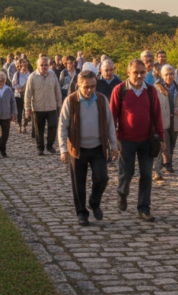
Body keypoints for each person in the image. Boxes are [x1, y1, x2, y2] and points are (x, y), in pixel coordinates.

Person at [61, 71, 119, 226]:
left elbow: (109, 124)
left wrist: (114, 146)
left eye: (93, 86)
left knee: (102, 177)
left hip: (98, 147)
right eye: (86, 87)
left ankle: (94, 202)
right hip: (77, 148)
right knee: (78, 182)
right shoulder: (71, 101)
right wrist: (63, 150)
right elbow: (63, 126)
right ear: (79, 84)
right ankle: (81, 213)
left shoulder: (101, 99)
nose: (89, 90)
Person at [111, 59, 164, 222]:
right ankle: (122, 193)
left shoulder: (151, 91)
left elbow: (157, 115)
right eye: (136, 72)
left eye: (142, 72)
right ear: (128, 73)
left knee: (146, 175)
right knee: (127, 173)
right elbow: (112, 116)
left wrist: (161, 137)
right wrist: (114, 139)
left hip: (147, 140)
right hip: (126, 140)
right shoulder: (119, 90)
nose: (140, 76)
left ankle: (144, 208)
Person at [25, 56, 63, 156]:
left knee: (53, 126)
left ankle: (50, 146)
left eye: (46, 65)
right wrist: (27, 107)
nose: (44, 67)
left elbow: (57, 90)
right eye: (41, 65)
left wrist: (59, 104)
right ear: (37, 66)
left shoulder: (52, 75)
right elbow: (28, 93)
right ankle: (40, 148)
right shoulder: (32, 77)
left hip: (51, 106)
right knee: (39, 129)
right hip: (38, 108)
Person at [153, 64, 178, 179]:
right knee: (163, 145)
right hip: (162, 120)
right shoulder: (156, 88)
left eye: (171, 74)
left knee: (171, 144)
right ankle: (156, 170)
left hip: (175, 120)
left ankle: (168, 165)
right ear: (162, 75)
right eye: (166, 74)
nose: (169, 76)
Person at [12, 59, 31, 134]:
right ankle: (19, 125)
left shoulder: (28, 74)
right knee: (19, 111)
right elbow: (13, 84)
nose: (24, 67)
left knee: (26, 111)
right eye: (23, 66)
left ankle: (25, 126)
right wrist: (19, 88)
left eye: (26, 66)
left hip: (26, 94)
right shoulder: (17, 74)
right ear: (20, 66)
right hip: (18, 95)